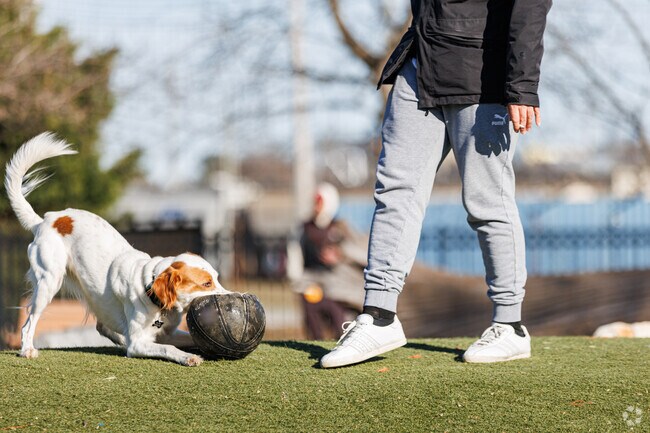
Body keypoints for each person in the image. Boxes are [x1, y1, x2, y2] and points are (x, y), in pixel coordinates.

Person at [320, 0, 552, 368]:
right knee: (394, 192)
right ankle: (380, 315)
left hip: (483, 74)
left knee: (487, 202)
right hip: (421, 65)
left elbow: (529, 6)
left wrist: (522, 84)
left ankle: (510, 325)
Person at [294, 183, 366, 339]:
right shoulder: (305, 227)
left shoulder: (341, 227)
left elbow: (357, 252)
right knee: (313, 327)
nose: (315, 206)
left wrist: (340, 255)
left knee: (340, 326)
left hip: (337, 286)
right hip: (311, 284)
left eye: (319, 202)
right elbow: (297, 253)